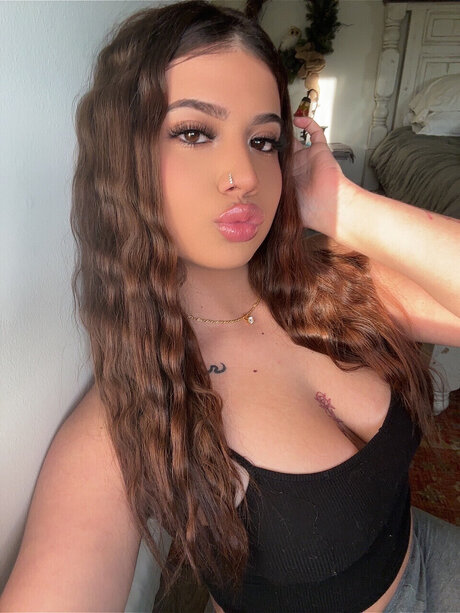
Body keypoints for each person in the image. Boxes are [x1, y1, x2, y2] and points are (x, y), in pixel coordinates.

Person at [1, 2, 459, 612]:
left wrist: (338, 204)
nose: (244, 173)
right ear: (124, 156)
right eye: (195, 133)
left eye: (263, 140)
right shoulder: (135, 408)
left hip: (433, 555)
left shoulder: (332, 281)